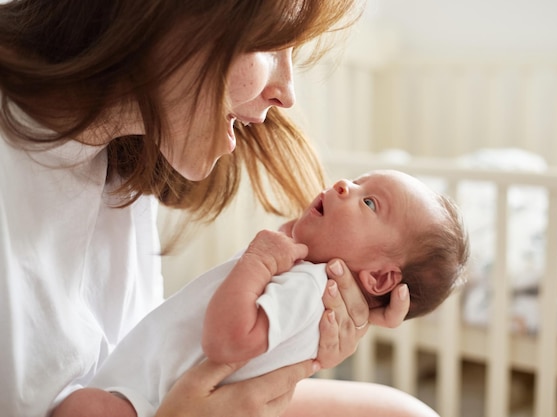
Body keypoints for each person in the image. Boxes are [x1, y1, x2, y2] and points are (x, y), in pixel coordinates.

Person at [0, 1, 437, 417]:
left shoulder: (123, 155)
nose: (286, 94)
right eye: (271, 44)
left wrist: (347, 302)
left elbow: (157, 343)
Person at [52, 169, 469, 417]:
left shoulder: (308, 289)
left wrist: (258, 260)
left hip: (153, 401)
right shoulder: (310, 280)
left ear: (380, 279)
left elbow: (228, 341)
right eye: (358, 182)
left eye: (371, 204)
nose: (344, 185)